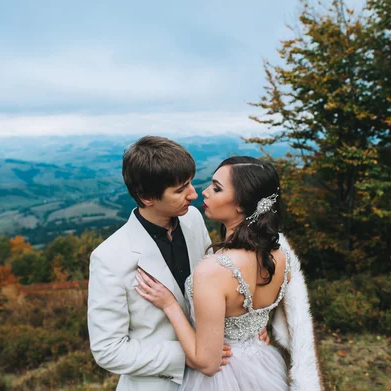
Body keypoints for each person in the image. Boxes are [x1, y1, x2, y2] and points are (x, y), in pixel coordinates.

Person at [88, 137, 268, 391]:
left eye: (191, 183)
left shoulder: (193, 219)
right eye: (180, 189)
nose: (194, 194)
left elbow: (218, 288)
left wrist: (250, 328)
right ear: (147, 197)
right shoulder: (109, 258)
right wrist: (190, 355)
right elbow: (108, 350)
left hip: (219, 379)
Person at [135, 156, 323, 390]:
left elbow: (207, 363)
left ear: (241, 205)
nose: (203, 192)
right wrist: (256, 327)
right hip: (263, 366)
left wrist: (170, 305)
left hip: (221, 378)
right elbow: (261, 308)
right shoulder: (280, 255)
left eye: (216, 188)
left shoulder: (214, 270)